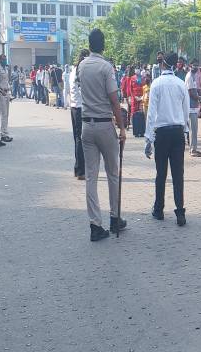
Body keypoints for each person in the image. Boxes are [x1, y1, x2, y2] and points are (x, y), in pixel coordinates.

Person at [78, 28, 127, 242]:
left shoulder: (81, 66)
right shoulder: (106, 67)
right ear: (103, 45)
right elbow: (114, 100)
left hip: (86, 126)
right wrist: (122, 127)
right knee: (113, 173)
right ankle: (115, 217)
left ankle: (94, 225)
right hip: (105, 125)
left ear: (89, 45)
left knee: (91, 176)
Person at [145, 51, 189, 226]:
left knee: (161, 174)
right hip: (177, 131)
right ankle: (180, 212)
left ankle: (159, 209)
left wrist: (148, 138)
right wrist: (185, 131)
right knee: (178, 174)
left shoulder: (156, 84)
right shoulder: (180, 84)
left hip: (161, 133)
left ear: (162, 64)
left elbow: (151, 114)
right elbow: (185, 111)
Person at [70, 50, 89, 180]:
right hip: (81, 108)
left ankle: (78, 168)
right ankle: (81, 170)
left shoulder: (73, 71)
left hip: (74, 107)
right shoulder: (81, 72)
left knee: (77, 139)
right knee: (82, 140)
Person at [185, 65, 201, 157]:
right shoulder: (189, 76)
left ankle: (193, 148)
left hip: (193, 107)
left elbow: (194, 90)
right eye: (194, 65)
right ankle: (193, 150)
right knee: (193, 129)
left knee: (193, 129)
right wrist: (199, 98)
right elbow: (191, 92)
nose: (196, 67)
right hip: (191, 108)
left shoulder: (192, 76)